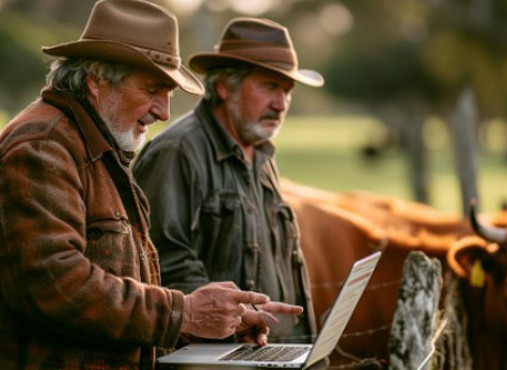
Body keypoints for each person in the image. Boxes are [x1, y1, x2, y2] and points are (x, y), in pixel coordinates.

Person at [0, 2, 303, 369]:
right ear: (97, 80)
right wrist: (184, 313)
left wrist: (208, 323)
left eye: (169, 95)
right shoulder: (44, 145)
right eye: (152, 90)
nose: (163, 112)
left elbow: (122, 290)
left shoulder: (96, 144)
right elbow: (54, 283)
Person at [133, 17, 324, 343]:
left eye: (287, 91)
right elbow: (161, 263)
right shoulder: (178, 151)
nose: (280, 104)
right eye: (269, 86)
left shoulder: (261, 155)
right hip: (205, 361)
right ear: (224, 86)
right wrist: (233, 322)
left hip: (264, 356)